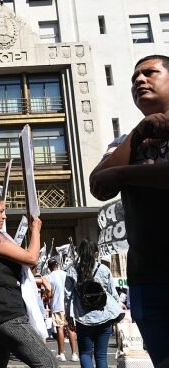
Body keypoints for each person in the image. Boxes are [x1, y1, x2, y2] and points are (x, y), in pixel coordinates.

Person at [89, 54, 169, 366]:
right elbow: (99, 184)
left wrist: (124, 174)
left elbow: (113, 178)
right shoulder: (126, 141)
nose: (139, 80)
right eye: (134, 78)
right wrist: (137, 134)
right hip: (146, 276)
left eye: (150, 73)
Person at [0, 193, 58, 368]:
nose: (5, 216)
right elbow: (31, 258)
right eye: (1, 211)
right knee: (48, 363)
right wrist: (35, 230)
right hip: (4, 312)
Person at [65, 239, 123, 368]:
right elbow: (113, 294)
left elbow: (68, 297)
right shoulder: (104, 269)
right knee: (101, 356)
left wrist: (69, 318)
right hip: (104, 317)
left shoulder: (72, 270)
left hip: (83, 319)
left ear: (79, 252)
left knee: (85, 354)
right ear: (96, 253)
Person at [46, 259, 78, 362]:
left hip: (57, 305)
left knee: (60, 328)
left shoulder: (48, 277)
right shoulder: (65, 274)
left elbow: (49, 294)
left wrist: (47, 294)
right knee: (71, 329)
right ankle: (74, 354)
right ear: (57, 265)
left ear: (49, 267)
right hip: (69, 305)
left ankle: (61, 354)